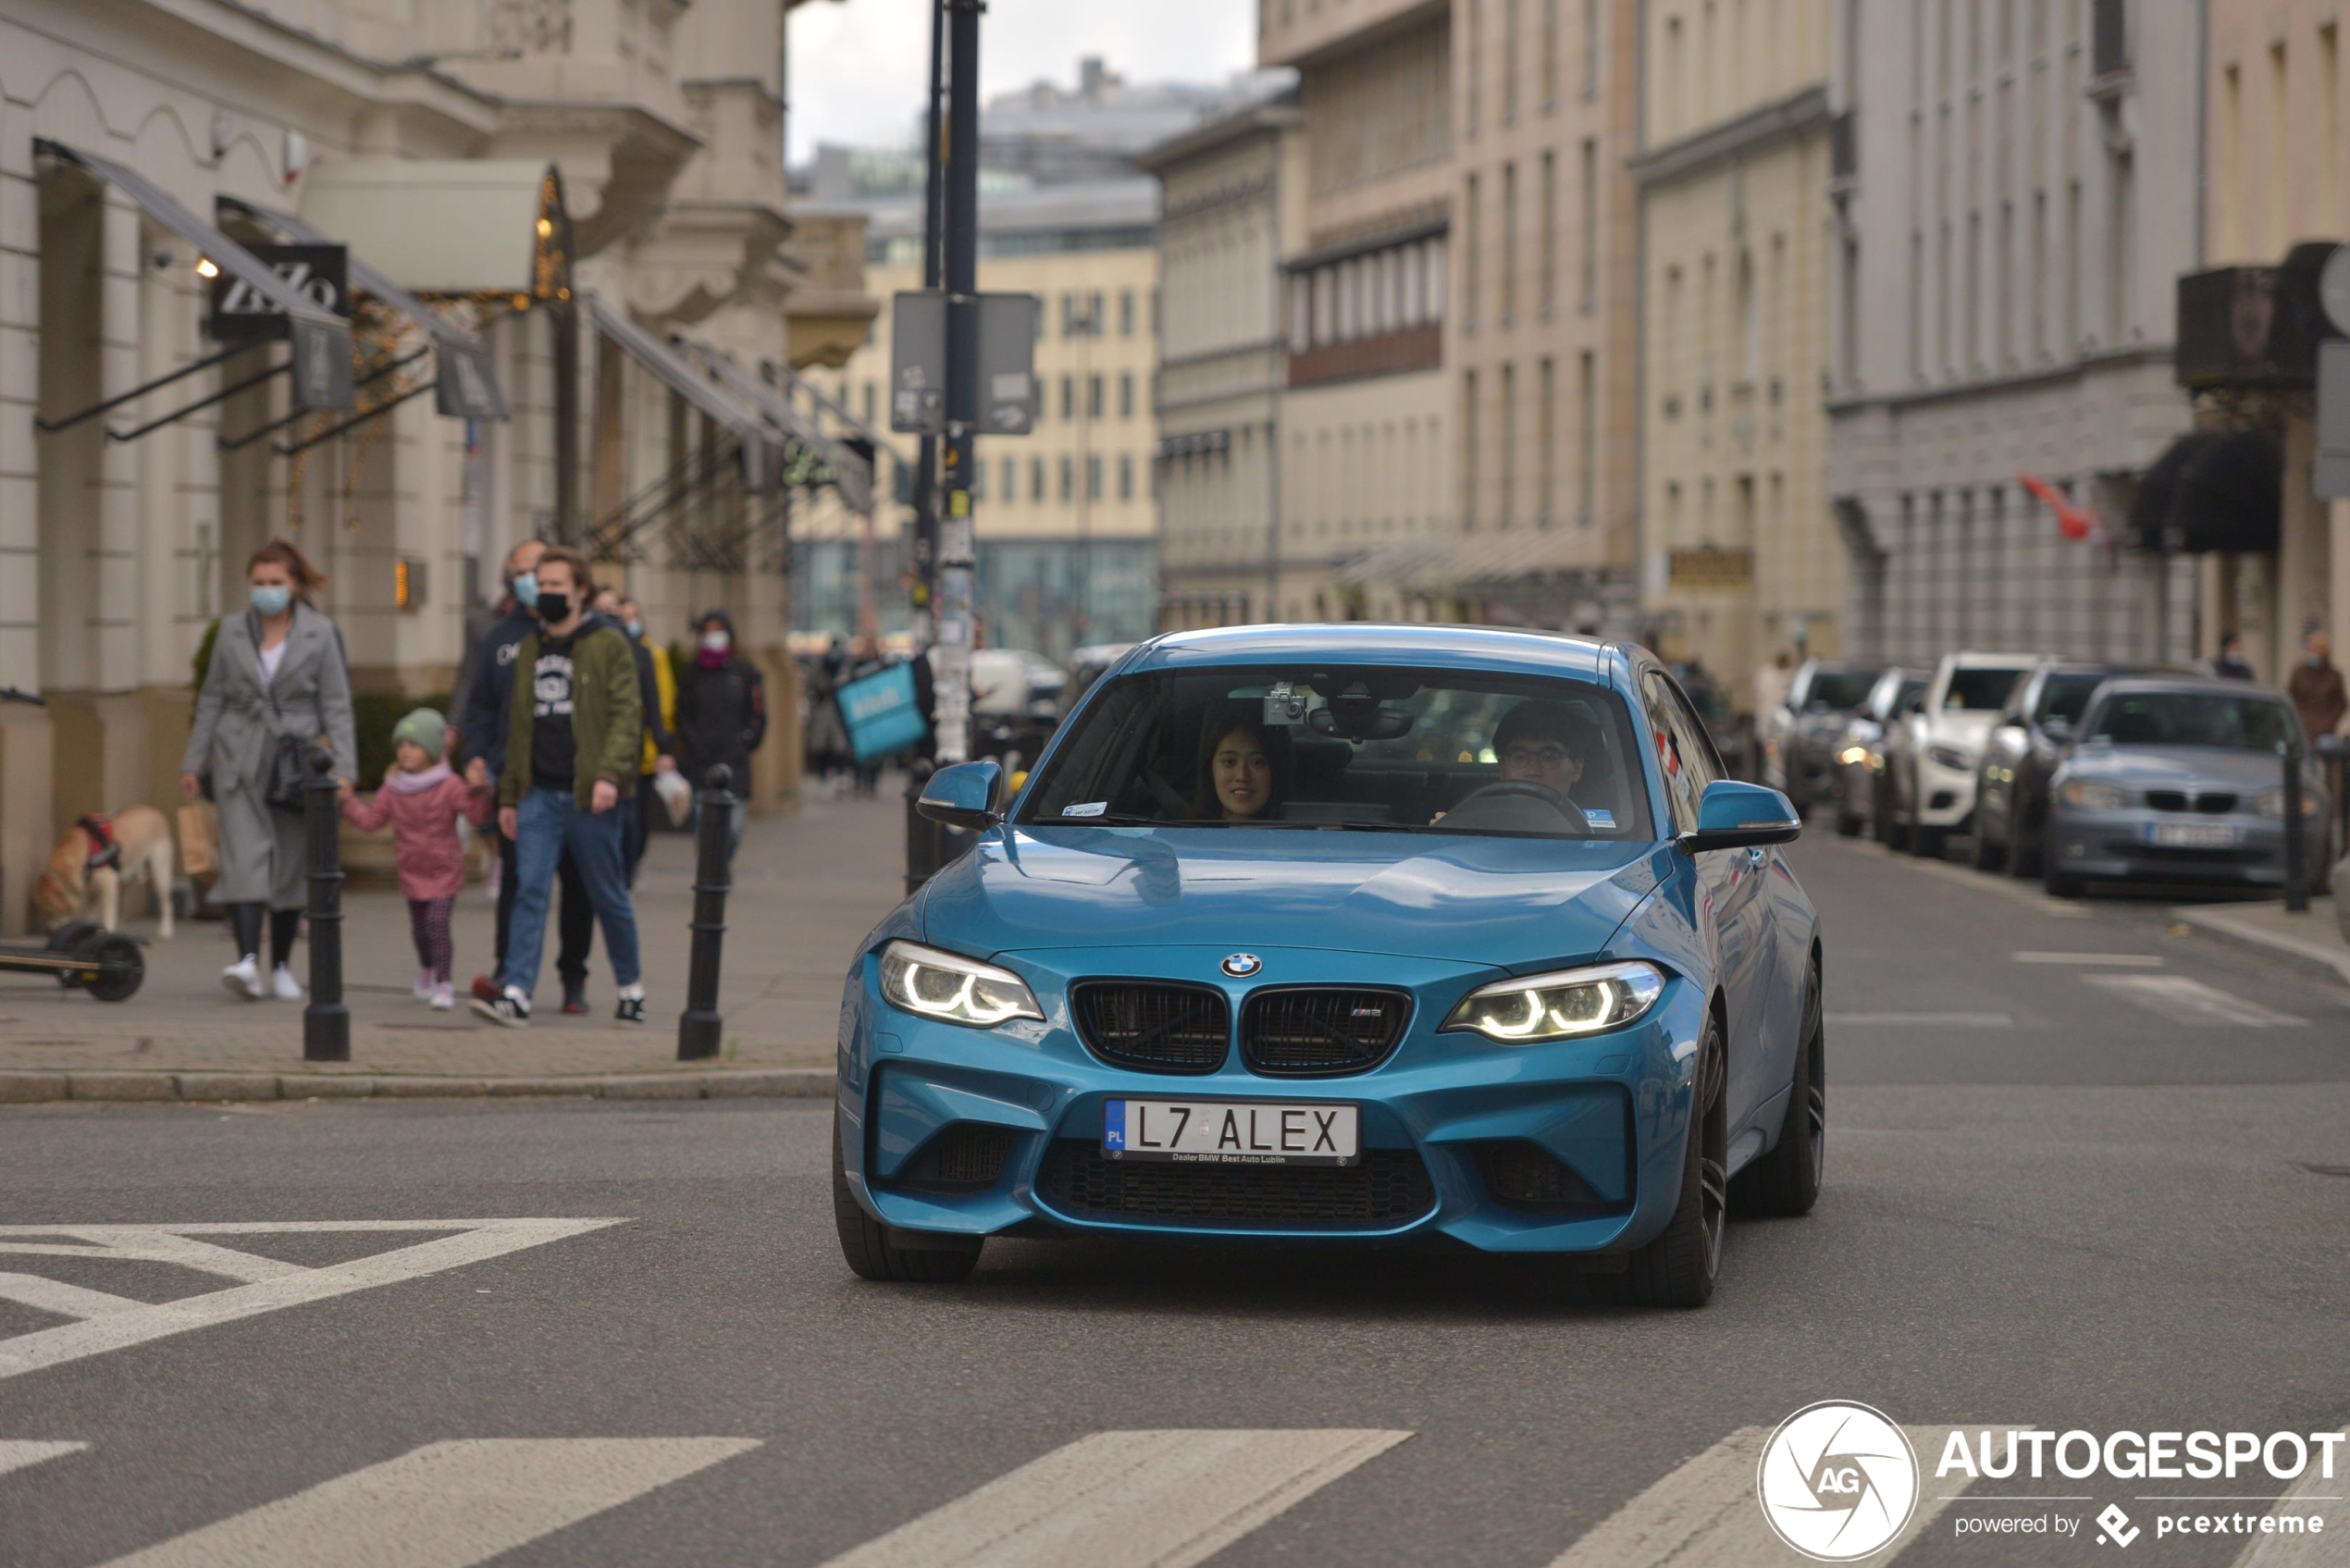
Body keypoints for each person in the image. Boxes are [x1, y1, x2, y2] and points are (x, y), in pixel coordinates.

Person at [475, 549, 646, 1028]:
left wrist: (610, 775)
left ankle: (631, 988)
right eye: (540, 584)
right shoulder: (530, 648)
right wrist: (508, 795)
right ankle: (517, 992)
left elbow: (625, 717)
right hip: (537, 795)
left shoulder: (608, 644)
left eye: (555, 585)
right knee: (529, 890)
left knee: (606, 892)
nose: (545, 593)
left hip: (590, 794)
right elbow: (516, 728)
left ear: (581, 592)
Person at [179, 539, 356, 1002]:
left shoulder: (320, 633)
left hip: (295, 763)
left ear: (295, 584)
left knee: (290, 864)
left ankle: (280, 965)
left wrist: (346, 769)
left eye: (276, 582)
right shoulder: (231, 631)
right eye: (259, 583)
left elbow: (336, 706)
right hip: (238, 756)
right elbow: (211, 699)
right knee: (243, 859)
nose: (267, 591)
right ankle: (247, 961)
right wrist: (194, 762)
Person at [456, 538, 598, 1013]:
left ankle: (573, 978)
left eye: (542, 572)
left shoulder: (595, 638)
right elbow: (478, 705)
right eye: (524, 574)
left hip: (575, 783)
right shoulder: (500, 638)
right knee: (518, 882)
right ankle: (509, 972)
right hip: (519, 782)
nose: (536, 583)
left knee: (579, 885)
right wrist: (476, 755)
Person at [341, 707, 494, 1010]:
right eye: (401, 745)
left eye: (413, 745)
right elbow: (372, 821)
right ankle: (427, 968)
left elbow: (476, 815)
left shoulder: (449, 785)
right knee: (420, 929)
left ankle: (444, 982)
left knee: (438, 923)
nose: (405, 751)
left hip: (444, 870)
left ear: (433, 750)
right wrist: (347, 802)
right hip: (411, 870)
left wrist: (480, 791)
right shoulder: (393, 788)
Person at [593, 588, 679, 884]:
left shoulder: (641, 653)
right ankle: (608, 872)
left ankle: (626, 871)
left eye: (614, 610)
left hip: (631, 751)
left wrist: (663, 747)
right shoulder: (584, 649)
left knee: (631, 820)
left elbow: (653, 704)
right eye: (600, 608)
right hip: (592, 750)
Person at [674, 610, 767, 861]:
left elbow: (757, 713)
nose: (713, 637)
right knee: (704, 831)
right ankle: (711, 876)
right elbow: (682, 714)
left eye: (719, 631)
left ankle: (720, 870)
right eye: (708, 632)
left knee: (734, 829)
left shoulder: (744, 673)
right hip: (702, 763)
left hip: (734, 762)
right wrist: (694, 742)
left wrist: (746, 740)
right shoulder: (693, 674)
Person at [1192, 714, 1289, 821]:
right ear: (1210, 770)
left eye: (1257, 762)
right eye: (1229, 761)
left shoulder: (1301, 833)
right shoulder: (1181, 833)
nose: (1242, 776)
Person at [1492, 700, 1596, 797]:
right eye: (1520, 757)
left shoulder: (1608, 812)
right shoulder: (1480, 816)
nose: (1533, 771)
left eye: (1549, 757)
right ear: (1502, 769)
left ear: (1576, 769)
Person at [2287, 629, 2346, 744]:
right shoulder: (2299, 673)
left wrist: (2330, 721)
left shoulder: (2334, 676)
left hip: (2325, 732)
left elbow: (2341, 703)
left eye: (2317, 650)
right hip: (2301, 728)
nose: (2313, 653)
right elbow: (2291, 697)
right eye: (2311, 649)